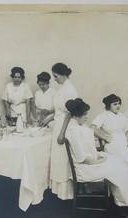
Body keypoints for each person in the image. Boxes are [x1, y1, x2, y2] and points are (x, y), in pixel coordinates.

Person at [65, 98, 128, 218]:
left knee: (121, 163)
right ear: (77, 115)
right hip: (85, 168)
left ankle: (124, 201)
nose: (87, 117)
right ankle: (122, 205)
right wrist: (100, 161)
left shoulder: (79, 127)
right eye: (85, 115)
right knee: (117, 169)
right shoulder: (73, 131)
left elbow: (88, 150)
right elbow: (82, 158)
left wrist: (100, 156)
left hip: (91, 162)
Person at [40, 63, 78, 200]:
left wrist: (62, 133)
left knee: (63, 159)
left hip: (65, 127)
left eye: (55, 76)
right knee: (57, 158)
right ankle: (58, 191)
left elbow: (69, 113)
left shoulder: (70, 90)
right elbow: (59, 109)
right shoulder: (62, 87)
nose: (54, 79)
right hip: (58, 123)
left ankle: (65, 193)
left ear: (62, 74)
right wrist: (49, 117)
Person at [91, 93, 128, 181]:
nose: (118, 106)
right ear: (109, 105)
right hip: (112, 143)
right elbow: (93, 127)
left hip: (124, 141)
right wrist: (105, 137)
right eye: (115, 104)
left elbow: (127, 130)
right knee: (123, 159)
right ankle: (124, 181)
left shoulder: (122, 115)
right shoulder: (103, 115)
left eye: (119, 103)